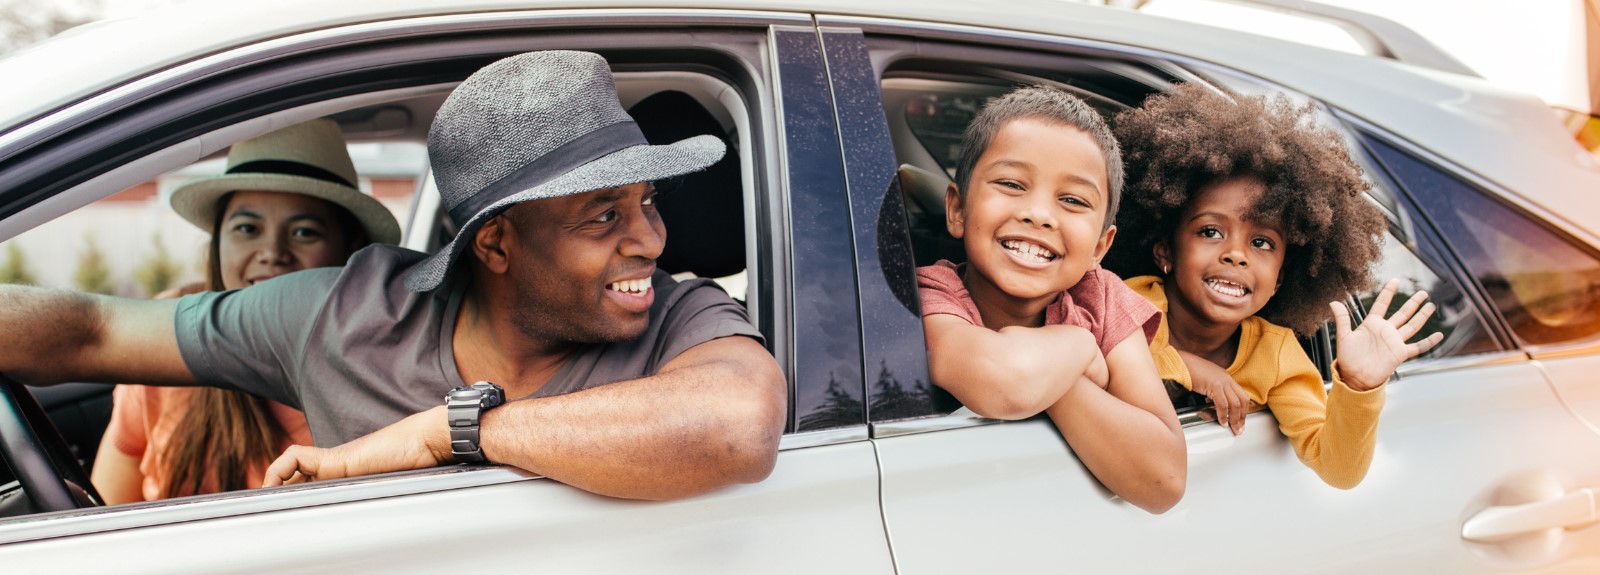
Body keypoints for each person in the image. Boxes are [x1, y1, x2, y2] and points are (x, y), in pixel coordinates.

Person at [1, 50, 786, 501]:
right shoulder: (340, 315)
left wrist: (447, 431)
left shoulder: (681, 318)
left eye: (650, 202)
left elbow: (738, 423)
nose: (651, 238)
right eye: (603, 215)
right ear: (497, 243)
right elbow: (93, 328)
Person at [1106, 83, 1443, 489]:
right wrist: (1196, 371)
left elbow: (1338, 469)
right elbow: (1094, 351)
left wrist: (1358, 386)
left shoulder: (1276, 355)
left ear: (1280, 279)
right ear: (1166, 251)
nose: (1236, 254)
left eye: (1261, 242)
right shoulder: (1127, 299)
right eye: (1210, 231)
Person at [90, 119, 402, 504]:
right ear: (217, 243)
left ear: (349, 251)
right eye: (247, 228)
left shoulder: (381, 369)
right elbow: (101, 519)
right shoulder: (164, 342)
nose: (272, 252)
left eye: (304, 232)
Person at [917, 85, 1186, 514]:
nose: (1039, 214)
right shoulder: (930, 294)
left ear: (1100, 247)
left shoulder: (1099, 296)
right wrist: (1079, 348)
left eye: (1073, 200)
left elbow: (1165, 481)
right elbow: (1005, 381)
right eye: (1011, 183)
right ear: (958, 209)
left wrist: (1058, 377)